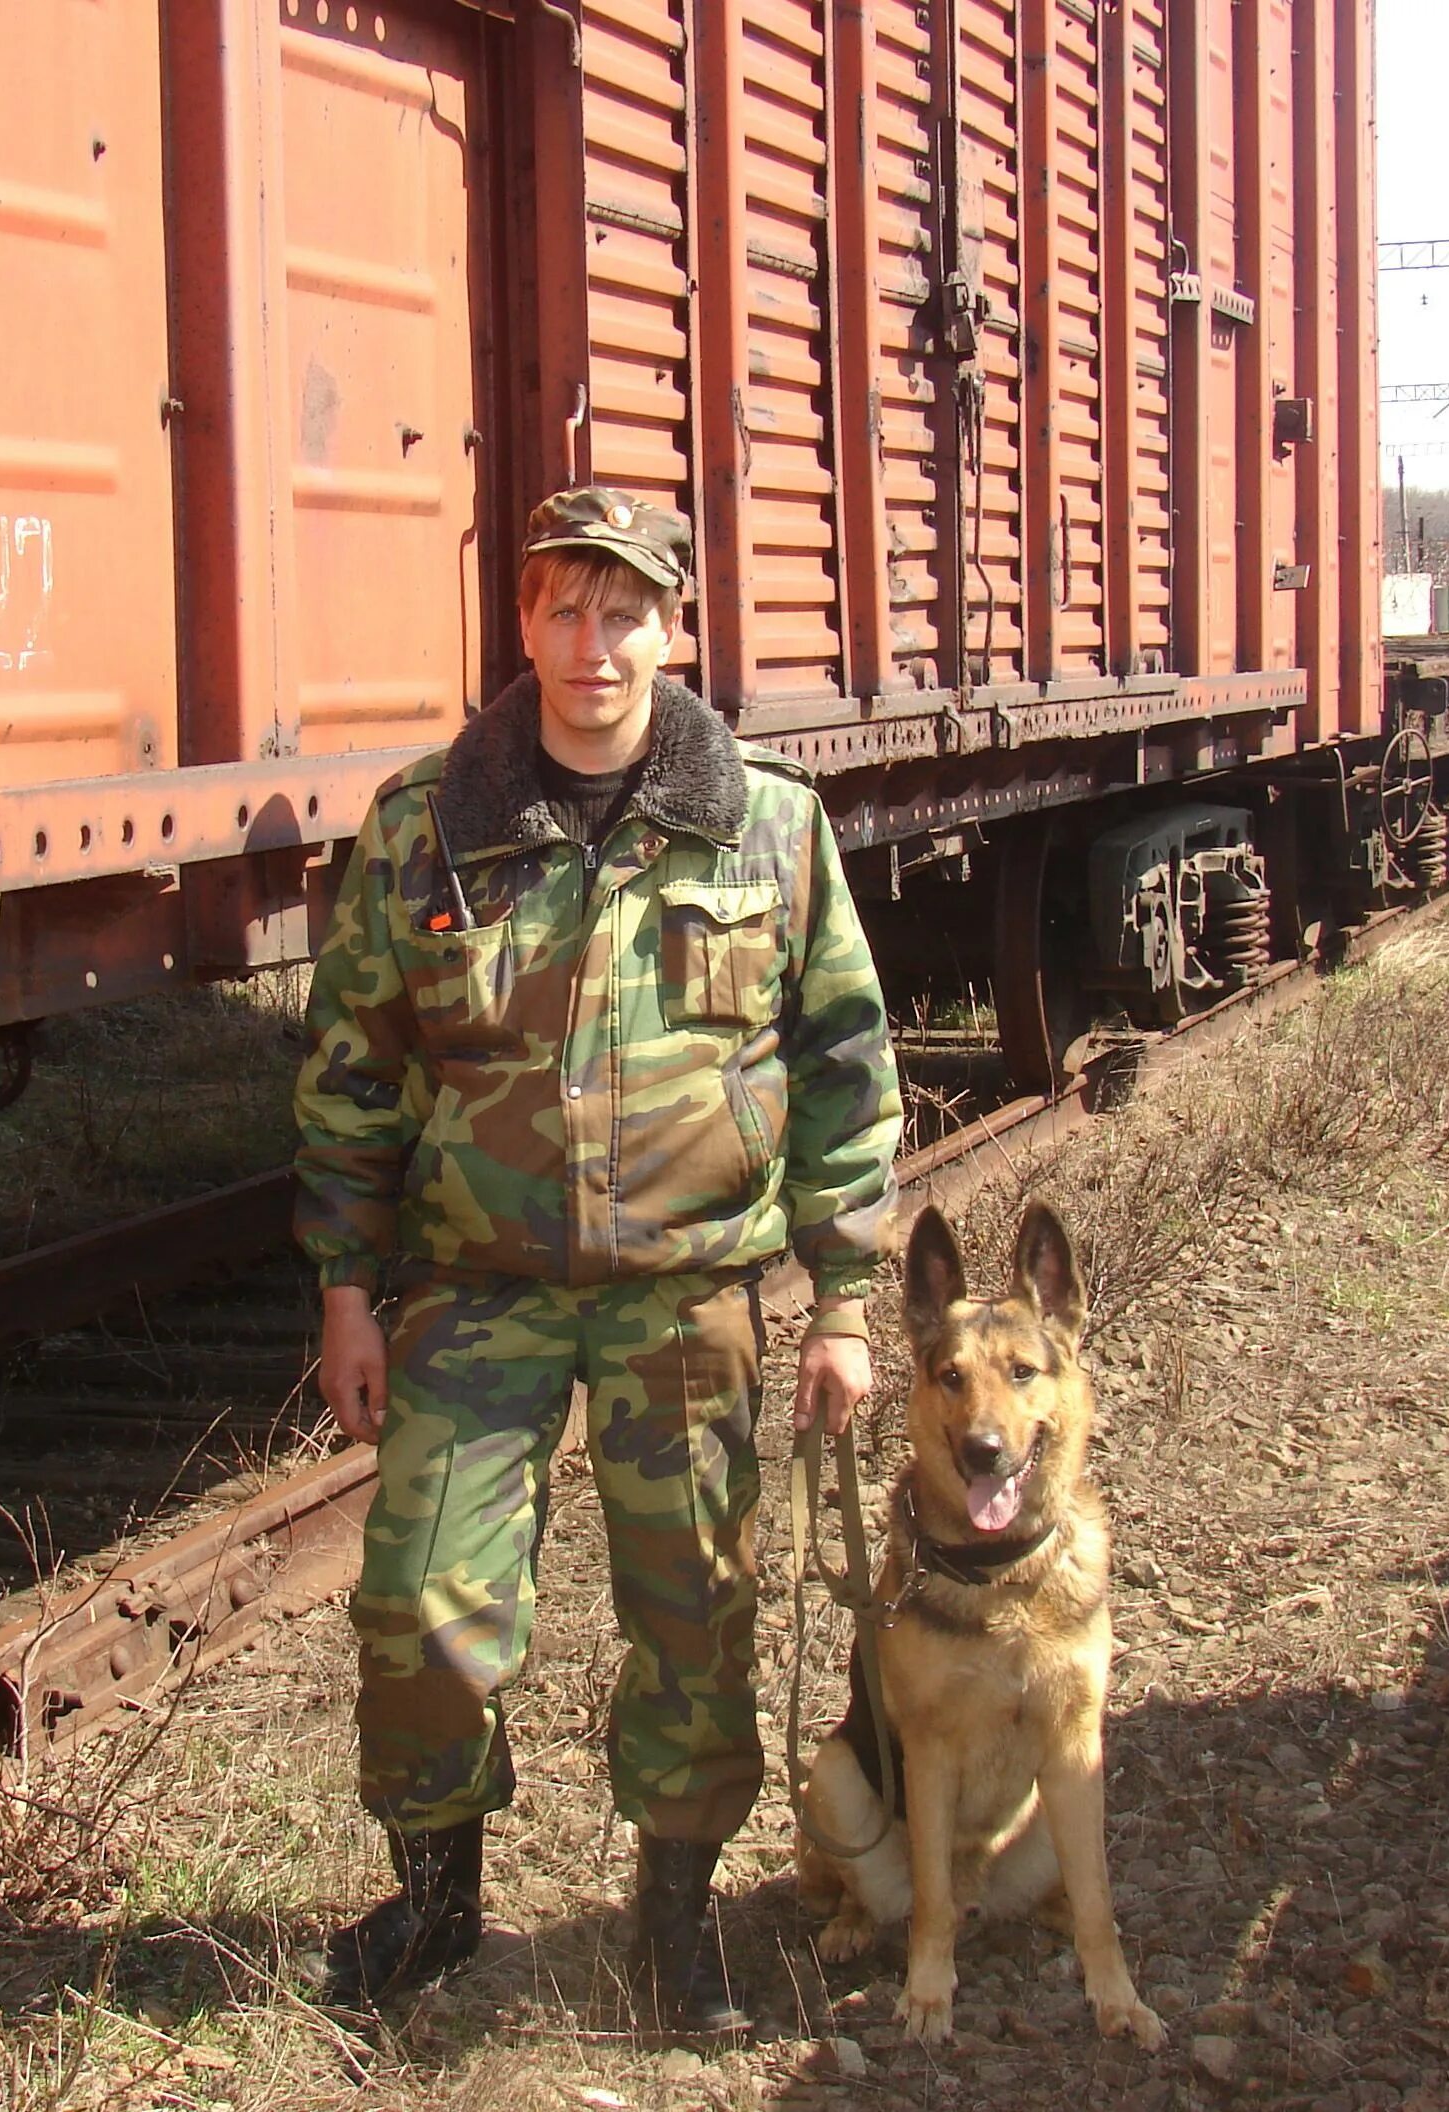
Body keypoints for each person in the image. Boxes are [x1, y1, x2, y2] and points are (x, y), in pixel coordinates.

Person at [292, 485, 903, 2033]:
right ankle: (436, 1909)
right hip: (474, 1296)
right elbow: (353, 1071)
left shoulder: (769, 823)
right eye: (563, 609)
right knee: (423, 1609)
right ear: (524, 627)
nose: (592, 645)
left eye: (624, 611)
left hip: (683, 1298)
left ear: (673, 629)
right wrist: (348, 1292)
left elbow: (842, 1059)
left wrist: (842, 1301)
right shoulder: (429, 822)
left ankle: (678, 1912)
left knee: (699, 1613)